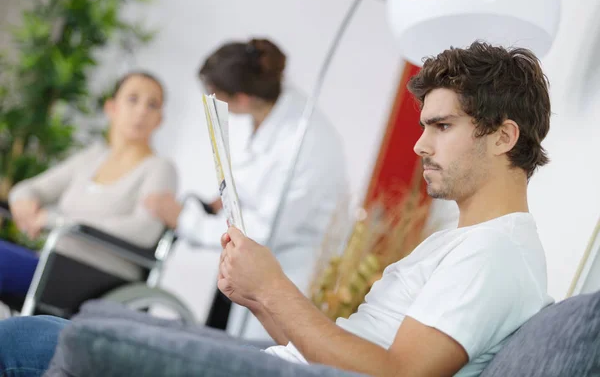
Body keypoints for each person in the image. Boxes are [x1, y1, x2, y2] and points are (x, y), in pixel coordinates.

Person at [0, 41, 553, 377]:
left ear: (503, 136)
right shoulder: (464, 241)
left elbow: (394, 373)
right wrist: (259, 298)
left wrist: (274, 289)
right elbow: (352, 350)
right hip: (281, 363)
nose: (419, 145)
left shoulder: (496, 254)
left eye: (442, 126)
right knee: (40, 333)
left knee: (26, 343)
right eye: (422, 126)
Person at [143, 38, 348, 339]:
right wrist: (220, 202)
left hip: (289, 274)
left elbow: (264, 230)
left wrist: (185, 219)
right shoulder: (270, 111)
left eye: (218, 98)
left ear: (240, 99)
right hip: (251, 268)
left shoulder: (305, 141)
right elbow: (259, 181)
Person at [0, 72, 178, 300]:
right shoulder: (93, 157)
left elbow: (143, 231)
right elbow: (29, 188)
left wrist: (56, 221)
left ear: (159, 119)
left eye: (152, 105)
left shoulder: (160, 168)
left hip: (99, 279)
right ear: (111, 108)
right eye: (133, 99)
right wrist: (23, 200)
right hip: (51, 262)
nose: (142, 111)